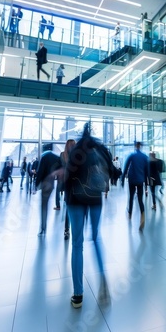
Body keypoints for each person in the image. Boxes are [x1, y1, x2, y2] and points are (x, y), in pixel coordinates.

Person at [64, 124, 113, 308]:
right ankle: (102, 277)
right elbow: (109, 172)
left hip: (75, 199)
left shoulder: (76, 151)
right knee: (95, 238)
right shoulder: (97, 151)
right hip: (94, 198)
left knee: (77, 244)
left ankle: (78, 295)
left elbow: (68, 179)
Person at [121, 142, 149, 230]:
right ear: (141, 147)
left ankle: (129, 214)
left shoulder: (132, 155)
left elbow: (126, 167)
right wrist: (147, 183)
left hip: (132, 179)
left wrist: (122, 179)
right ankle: (143, 216)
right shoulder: (145, 157)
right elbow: (147, 170)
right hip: (141, 180)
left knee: (131, 197)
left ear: (135, 146)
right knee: (140, 199)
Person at [36, 148, 62, 236]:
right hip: (51, 183)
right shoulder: (56, 157)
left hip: (45, 183)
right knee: (45, 205)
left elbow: (40, 171)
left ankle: (43, 227)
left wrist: (36, 185)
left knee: (44, 206)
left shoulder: (44, 157)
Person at [54, 139, 76, 240]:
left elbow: (59, 167)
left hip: (66, 183)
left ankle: (66, 230)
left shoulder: (62, 155)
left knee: (68, 207)